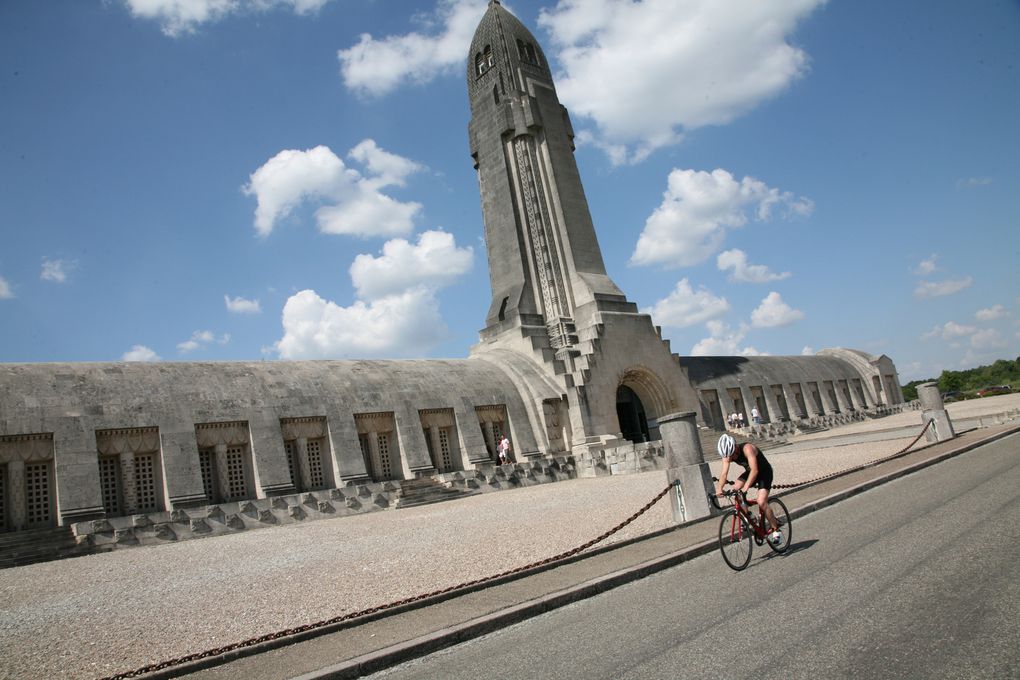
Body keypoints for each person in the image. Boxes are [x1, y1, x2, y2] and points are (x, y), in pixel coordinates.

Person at [715, 433, 782, 543]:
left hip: (764, 473)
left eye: (733, 456)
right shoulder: (727, 455)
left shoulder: (747, 448)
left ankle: (775, 529)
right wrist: (719, 489)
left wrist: (745, 488)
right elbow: (723, 474)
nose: (731, 459)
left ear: (736, 447)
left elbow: (755, 470)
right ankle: (749, 516)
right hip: (750, 472)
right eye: (729, 457)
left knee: (761, 502)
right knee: (735, 489)